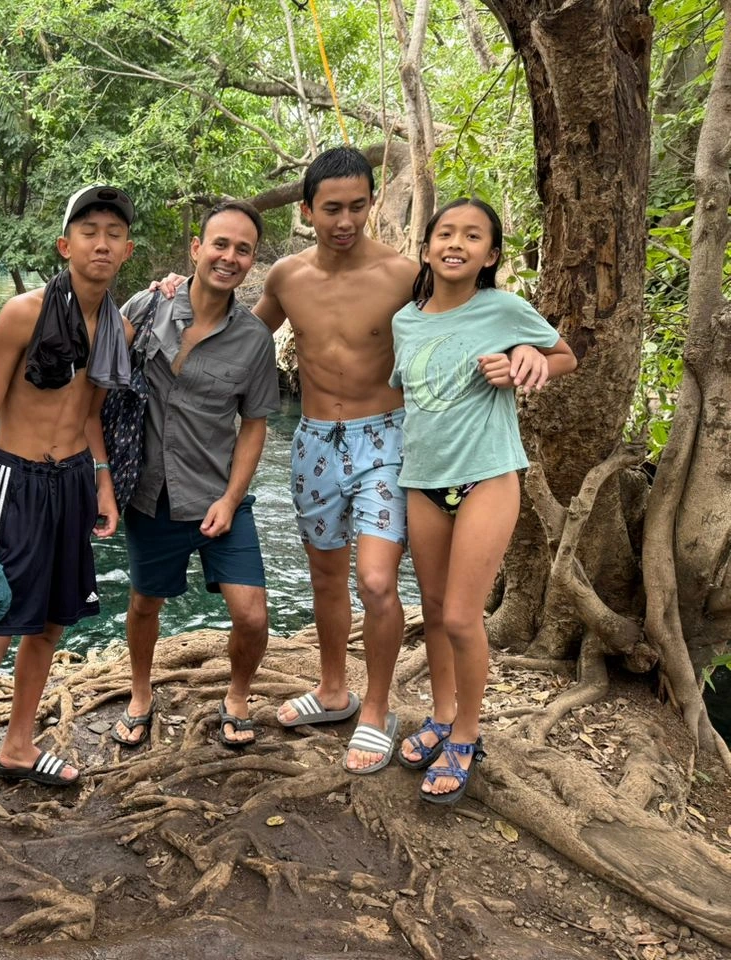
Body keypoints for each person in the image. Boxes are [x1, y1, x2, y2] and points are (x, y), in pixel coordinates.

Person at [0, 185, 134, 844]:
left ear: (127, 250)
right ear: (65, 245)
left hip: (72, 485)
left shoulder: (119, 327)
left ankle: (18, 746)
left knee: (48, 627)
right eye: (89, 231)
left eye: (114, 233)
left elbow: (92, 416)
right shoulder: (23, 313)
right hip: (13, 484)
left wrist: (103, 483)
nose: (102, 244)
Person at [391, 198, 575, 803]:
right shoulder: (406, 321)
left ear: (490, 255)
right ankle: (442, 715)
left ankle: (467, 733)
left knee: (463, 616)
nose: (457, 243)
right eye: (445, 233)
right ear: (426, 249)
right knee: (434, 609)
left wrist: (528, 356)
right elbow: (405, 395)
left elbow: (564, 356)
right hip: (422, 479)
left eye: (473, 236)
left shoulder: (504, 308)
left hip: (488, 477)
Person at [240, 147, 417, 774]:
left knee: (376, 581)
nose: (345, 221)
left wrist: (517, 354)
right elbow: (243, 339)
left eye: (357, 207)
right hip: (314, 439)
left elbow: (459, 326)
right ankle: (334, 689)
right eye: (332, 209)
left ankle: (378, 707)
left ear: (371, 203)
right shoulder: (286, 278)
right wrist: (178, 301)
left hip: (385, 440)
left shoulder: (405, 275)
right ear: (307, 211)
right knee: (324, 576)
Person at [110, 201, 280, 750]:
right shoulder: (147, 305)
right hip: (149, 493)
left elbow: (254, 425)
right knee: (144, 604)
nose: (229, 257)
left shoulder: (254, 338)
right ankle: (141, 693)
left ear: (252, 260)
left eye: (243, 250)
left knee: (251, 615)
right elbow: (94, 369)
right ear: (196, 248)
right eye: (220, 244)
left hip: (218, 495)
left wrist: (232, 499)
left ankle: (237, 696)